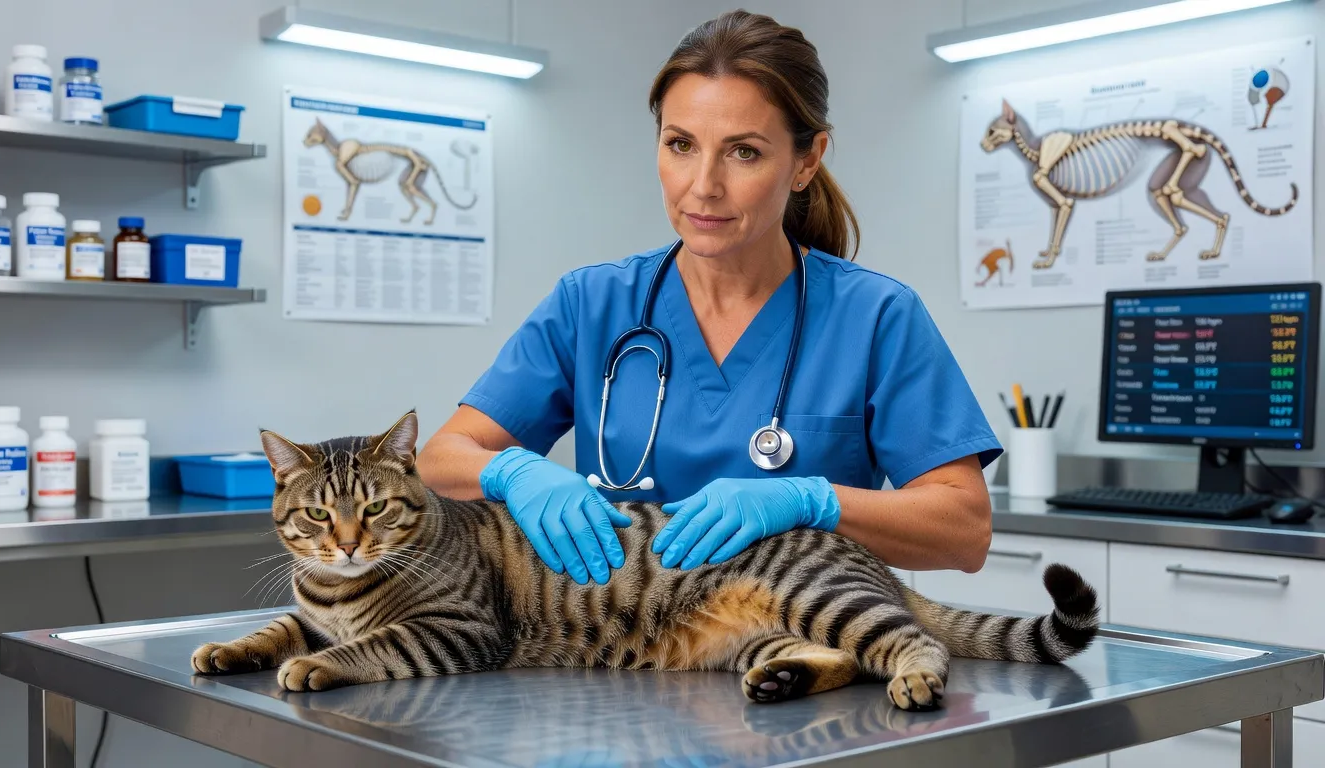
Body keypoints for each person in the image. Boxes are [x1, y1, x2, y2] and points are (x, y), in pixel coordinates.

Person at [418, 10, 1001, 587]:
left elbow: (964, 530)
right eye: (681, 145)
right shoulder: (590, 305)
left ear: (807, 160)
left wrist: (810, 500)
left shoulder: (876, 317)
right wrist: (513, 473)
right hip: (628, 651)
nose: (703, 185)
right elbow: (441, 458)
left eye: (743, 151)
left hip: (799, 651)